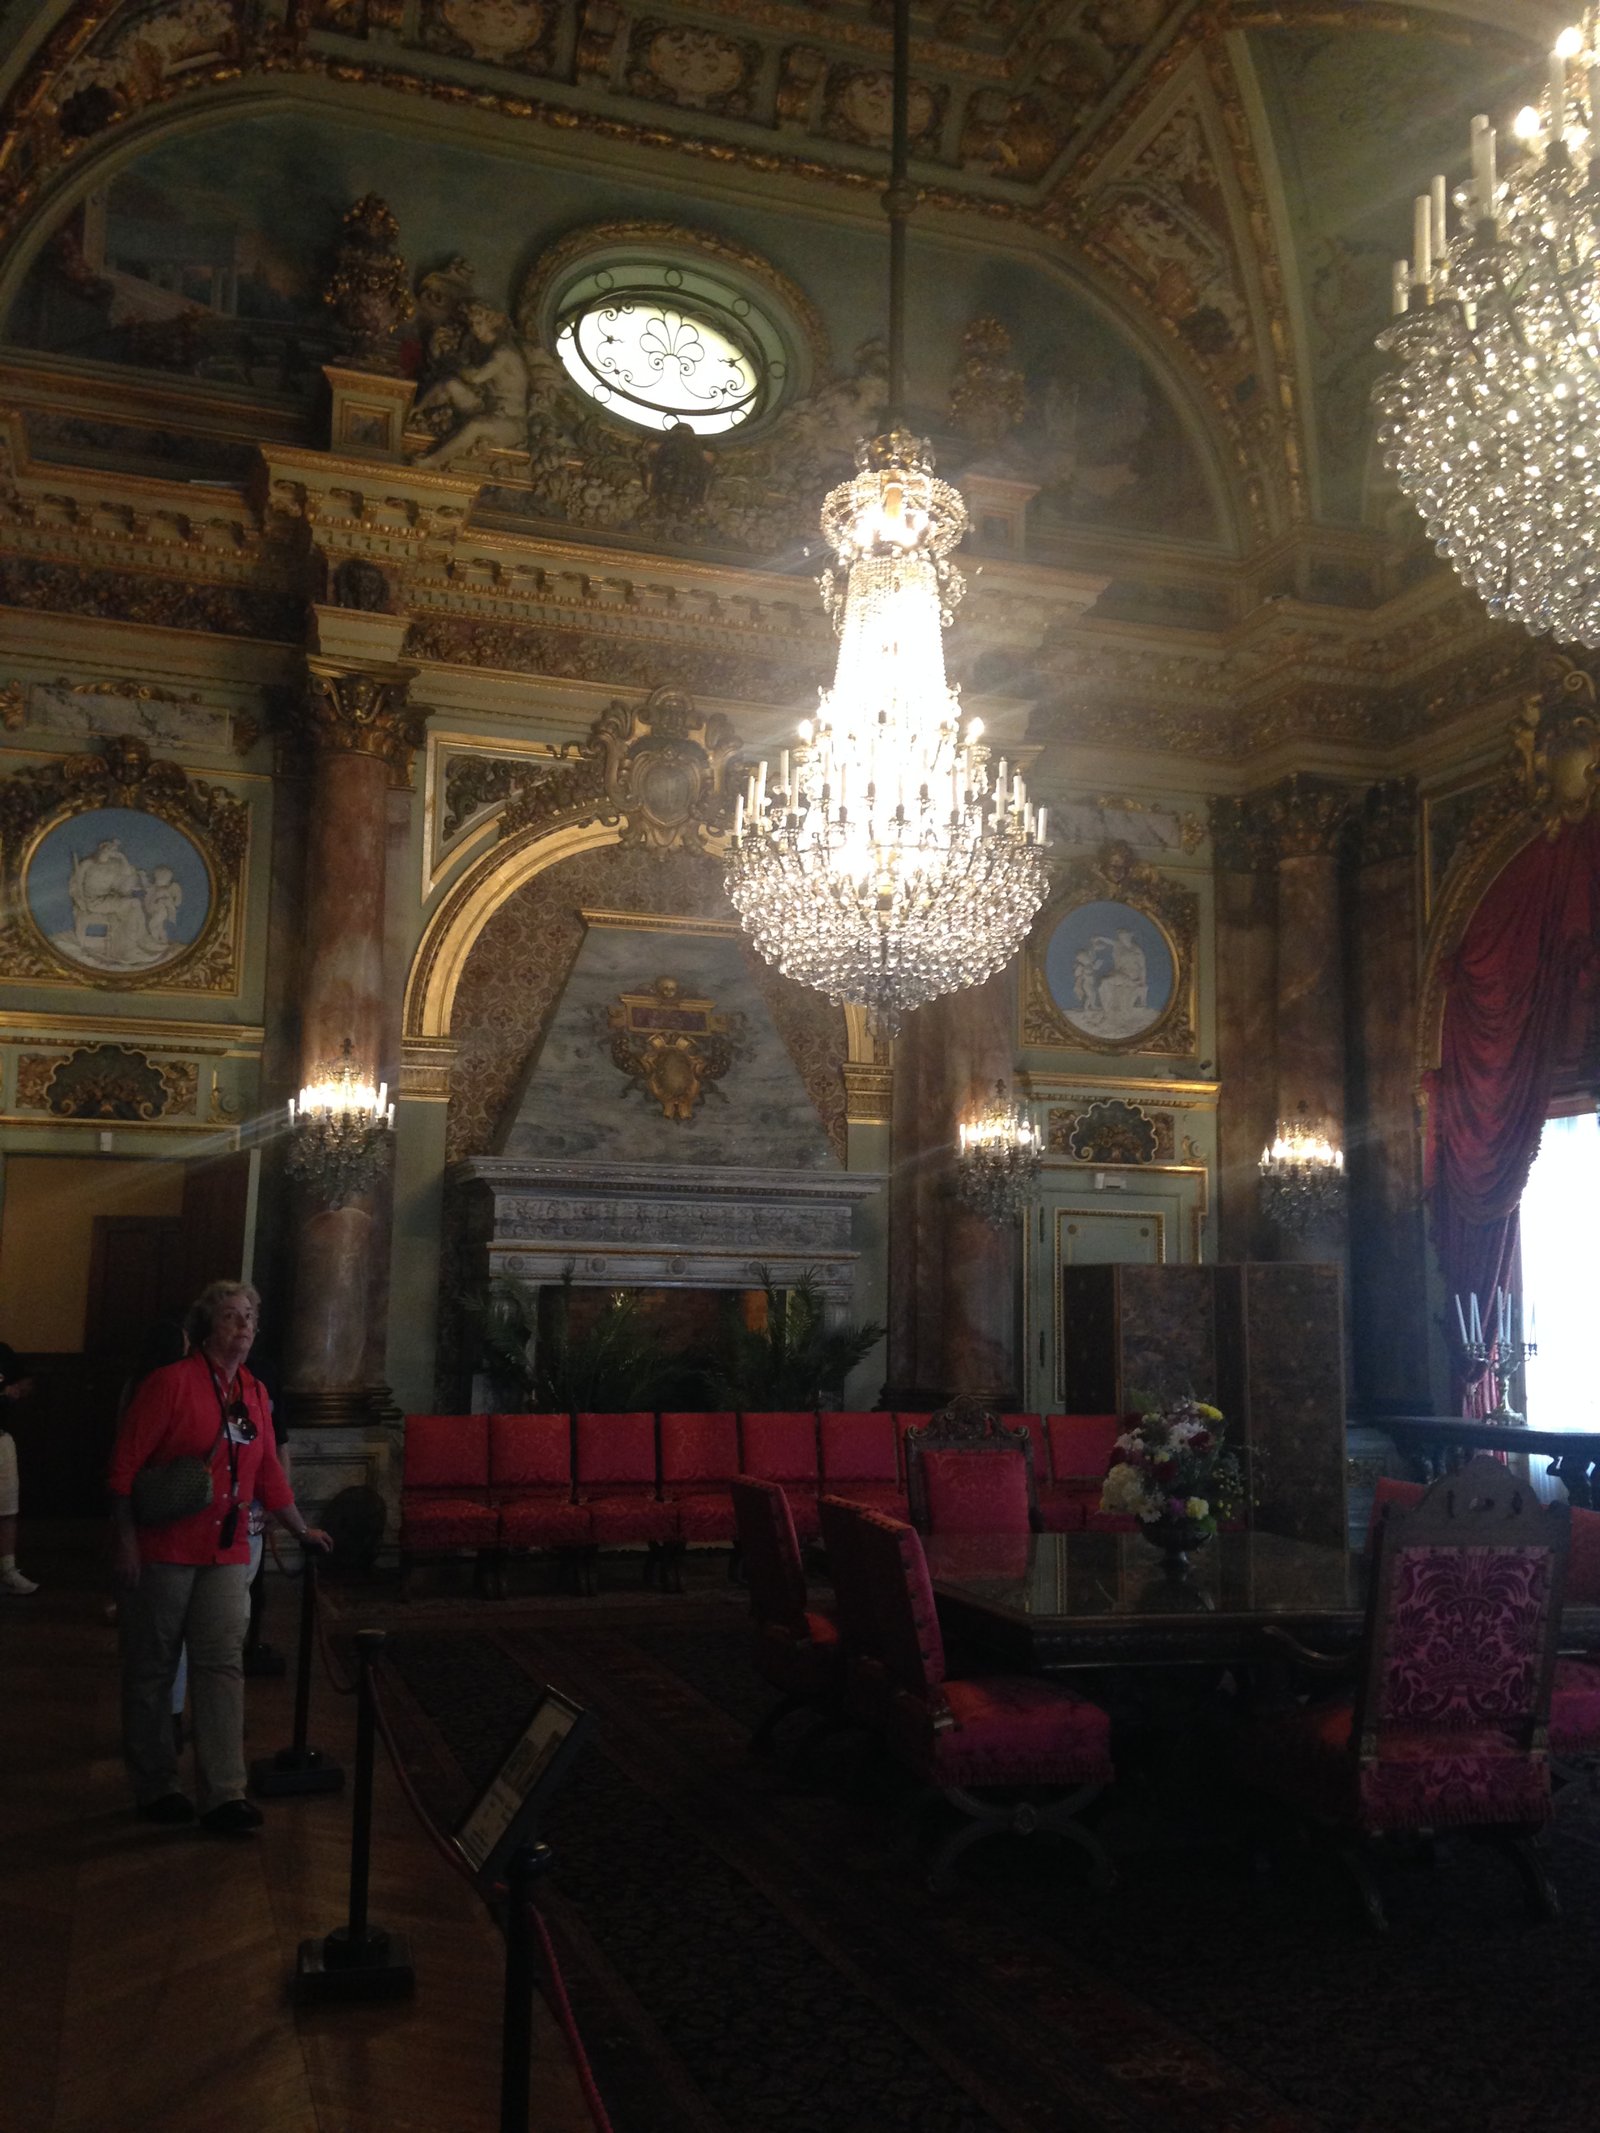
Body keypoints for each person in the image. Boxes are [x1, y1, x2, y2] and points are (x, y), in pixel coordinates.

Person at [109, 1281, 331, 1834]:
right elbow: (122, 1470)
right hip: (164, 1550)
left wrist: (301, 1528)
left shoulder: (251, 1394)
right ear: (208, 1326)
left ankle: (223, 1792)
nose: (244, 1326)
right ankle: (157, 1784)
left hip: (228, 1551)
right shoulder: (170, 1384)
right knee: (153, 1669)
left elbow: (266, 1475)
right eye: (232, 1316)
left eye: (251, 1316)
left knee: (222, 1666)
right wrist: (126, 1542)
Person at [0, 1340, 38, 1595]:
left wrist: (14, 1389)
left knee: (7, 1507)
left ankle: (7, 1570)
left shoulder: (3, 1353)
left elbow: (27, 1383)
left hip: (1, 1437)